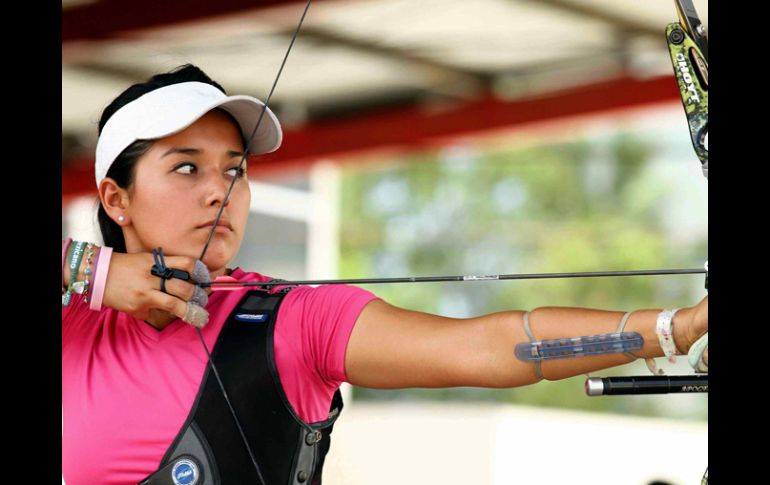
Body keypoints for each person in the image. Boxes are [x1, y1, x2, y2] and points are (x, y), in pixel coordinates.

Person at [61, 64, 708, 485]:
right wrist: (92, 270)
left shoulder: (292, 320)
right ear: (117, 199)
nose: (219, 192)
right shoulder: (75, 321)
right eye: (185, 168)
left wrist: (672, 329)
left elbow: (485, 347)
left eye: (235, 169)